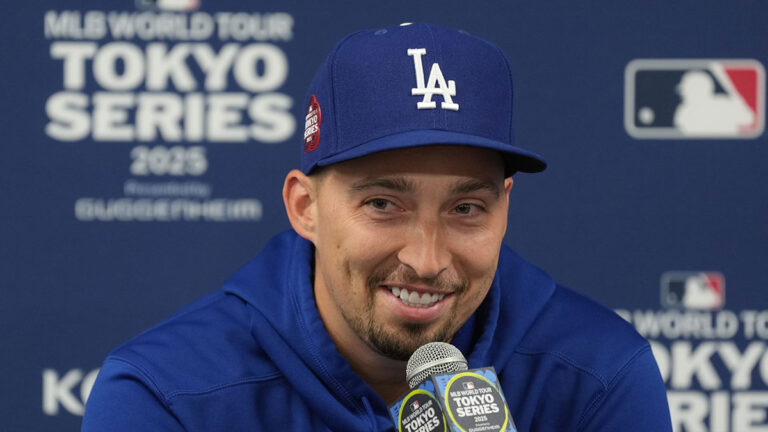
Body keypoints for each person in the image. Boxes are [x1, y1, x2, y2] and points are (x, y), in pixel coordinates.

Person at [82, 23, 672, 431]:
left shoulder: (597, 373)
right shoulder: (167, 393)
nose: (427, 259)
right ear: (305, 207)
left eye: (466, 209)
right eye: (384, 204)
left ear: (505, 207)